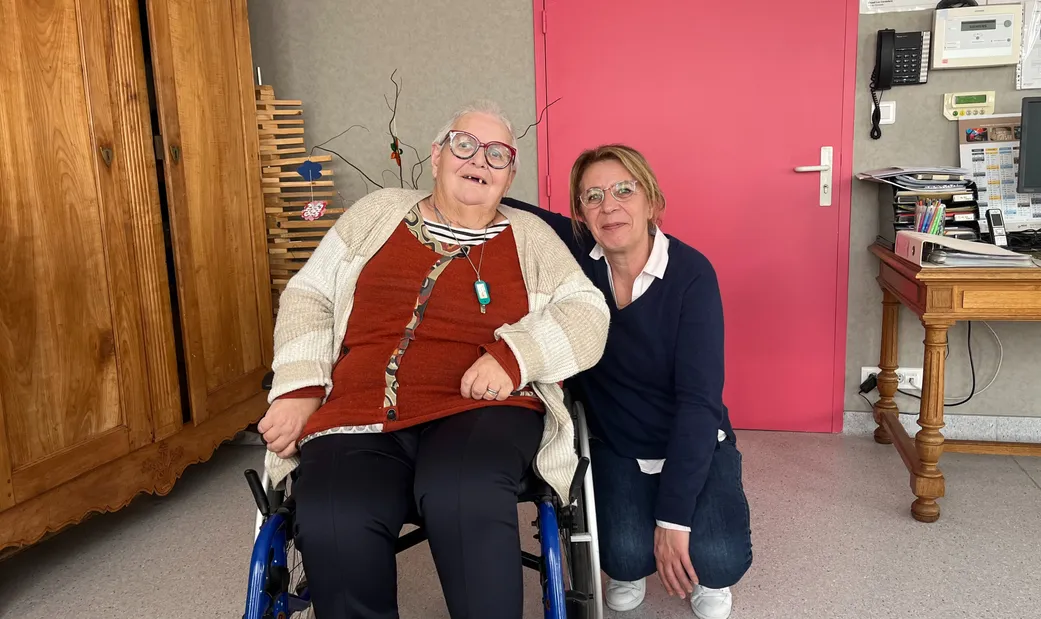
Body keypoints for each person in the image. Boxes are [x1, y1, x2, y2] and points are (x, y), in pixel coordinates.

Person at [256, 101, 610, 619]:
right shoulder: (379, 212)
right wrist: (300, 388)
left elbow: (587, 313)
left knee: (463, 492)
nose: (479, 162)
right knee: (336, 513)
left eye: (497, 155)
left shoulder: (530, 237)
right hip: (359, 409)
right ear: (438, 154)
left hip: (483, 409)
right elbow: (311, 294)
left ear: (511, 174)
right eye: (465, 145)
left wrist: (514, 358)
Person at [502, 144, 753, 619]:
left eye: (623, 190)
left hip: (690, 433)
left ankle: (696, 545)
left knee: (719, 559)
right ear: (580, 214)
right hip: (615, 440)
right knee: (623, 556)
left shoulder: (692, 275)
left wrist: (674, 519)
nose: (609, 206)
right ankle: (640, 549)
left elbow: (699, 403)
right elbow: (510, 207)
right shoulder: (576, 253)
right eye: (592, 196)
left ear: (652, 200)